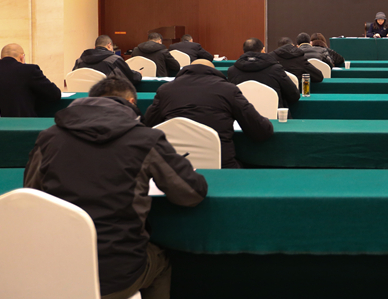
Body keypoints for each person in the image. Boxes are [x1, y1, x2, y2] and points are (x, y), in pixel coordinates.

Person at [23, 77, 208, 299]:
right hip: (118, 272)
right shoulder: (145, 138)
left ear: (90, 101)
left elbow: (31, 194)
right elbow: (191, 193)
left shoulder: (49, 138)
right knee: (160, 262)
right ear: (131, 102)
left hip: (58, 268)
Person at [143, 59, 273, 169]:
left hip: (173, 167)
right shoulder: (228, 89)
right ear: (213, 71)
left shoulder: (165, 90)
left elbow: (148, 126)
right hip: (222, 165)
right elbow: (260, 131)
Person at [0, 43, 61, 117]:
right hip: (22, 124)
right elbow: (54, 94)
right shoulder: (30, 70)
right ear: (22, 57)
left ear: (0, 59)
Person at [227, 38, 300, 108]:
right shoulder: (275, 69)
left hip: (241, 115)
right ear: (263, 50)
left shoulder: (232, 71)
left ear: (244, 51)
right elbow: (294, 96)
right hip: (273, 115)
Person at [73, 35, 142, 86]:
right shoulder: (114, 59)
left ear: (94, 48)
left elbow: (73, 77)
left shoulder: (80, 60)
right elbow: (130, 78)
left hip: (82, 97)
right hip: (106, 96)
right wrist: (138, 74)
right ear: (109, 45)